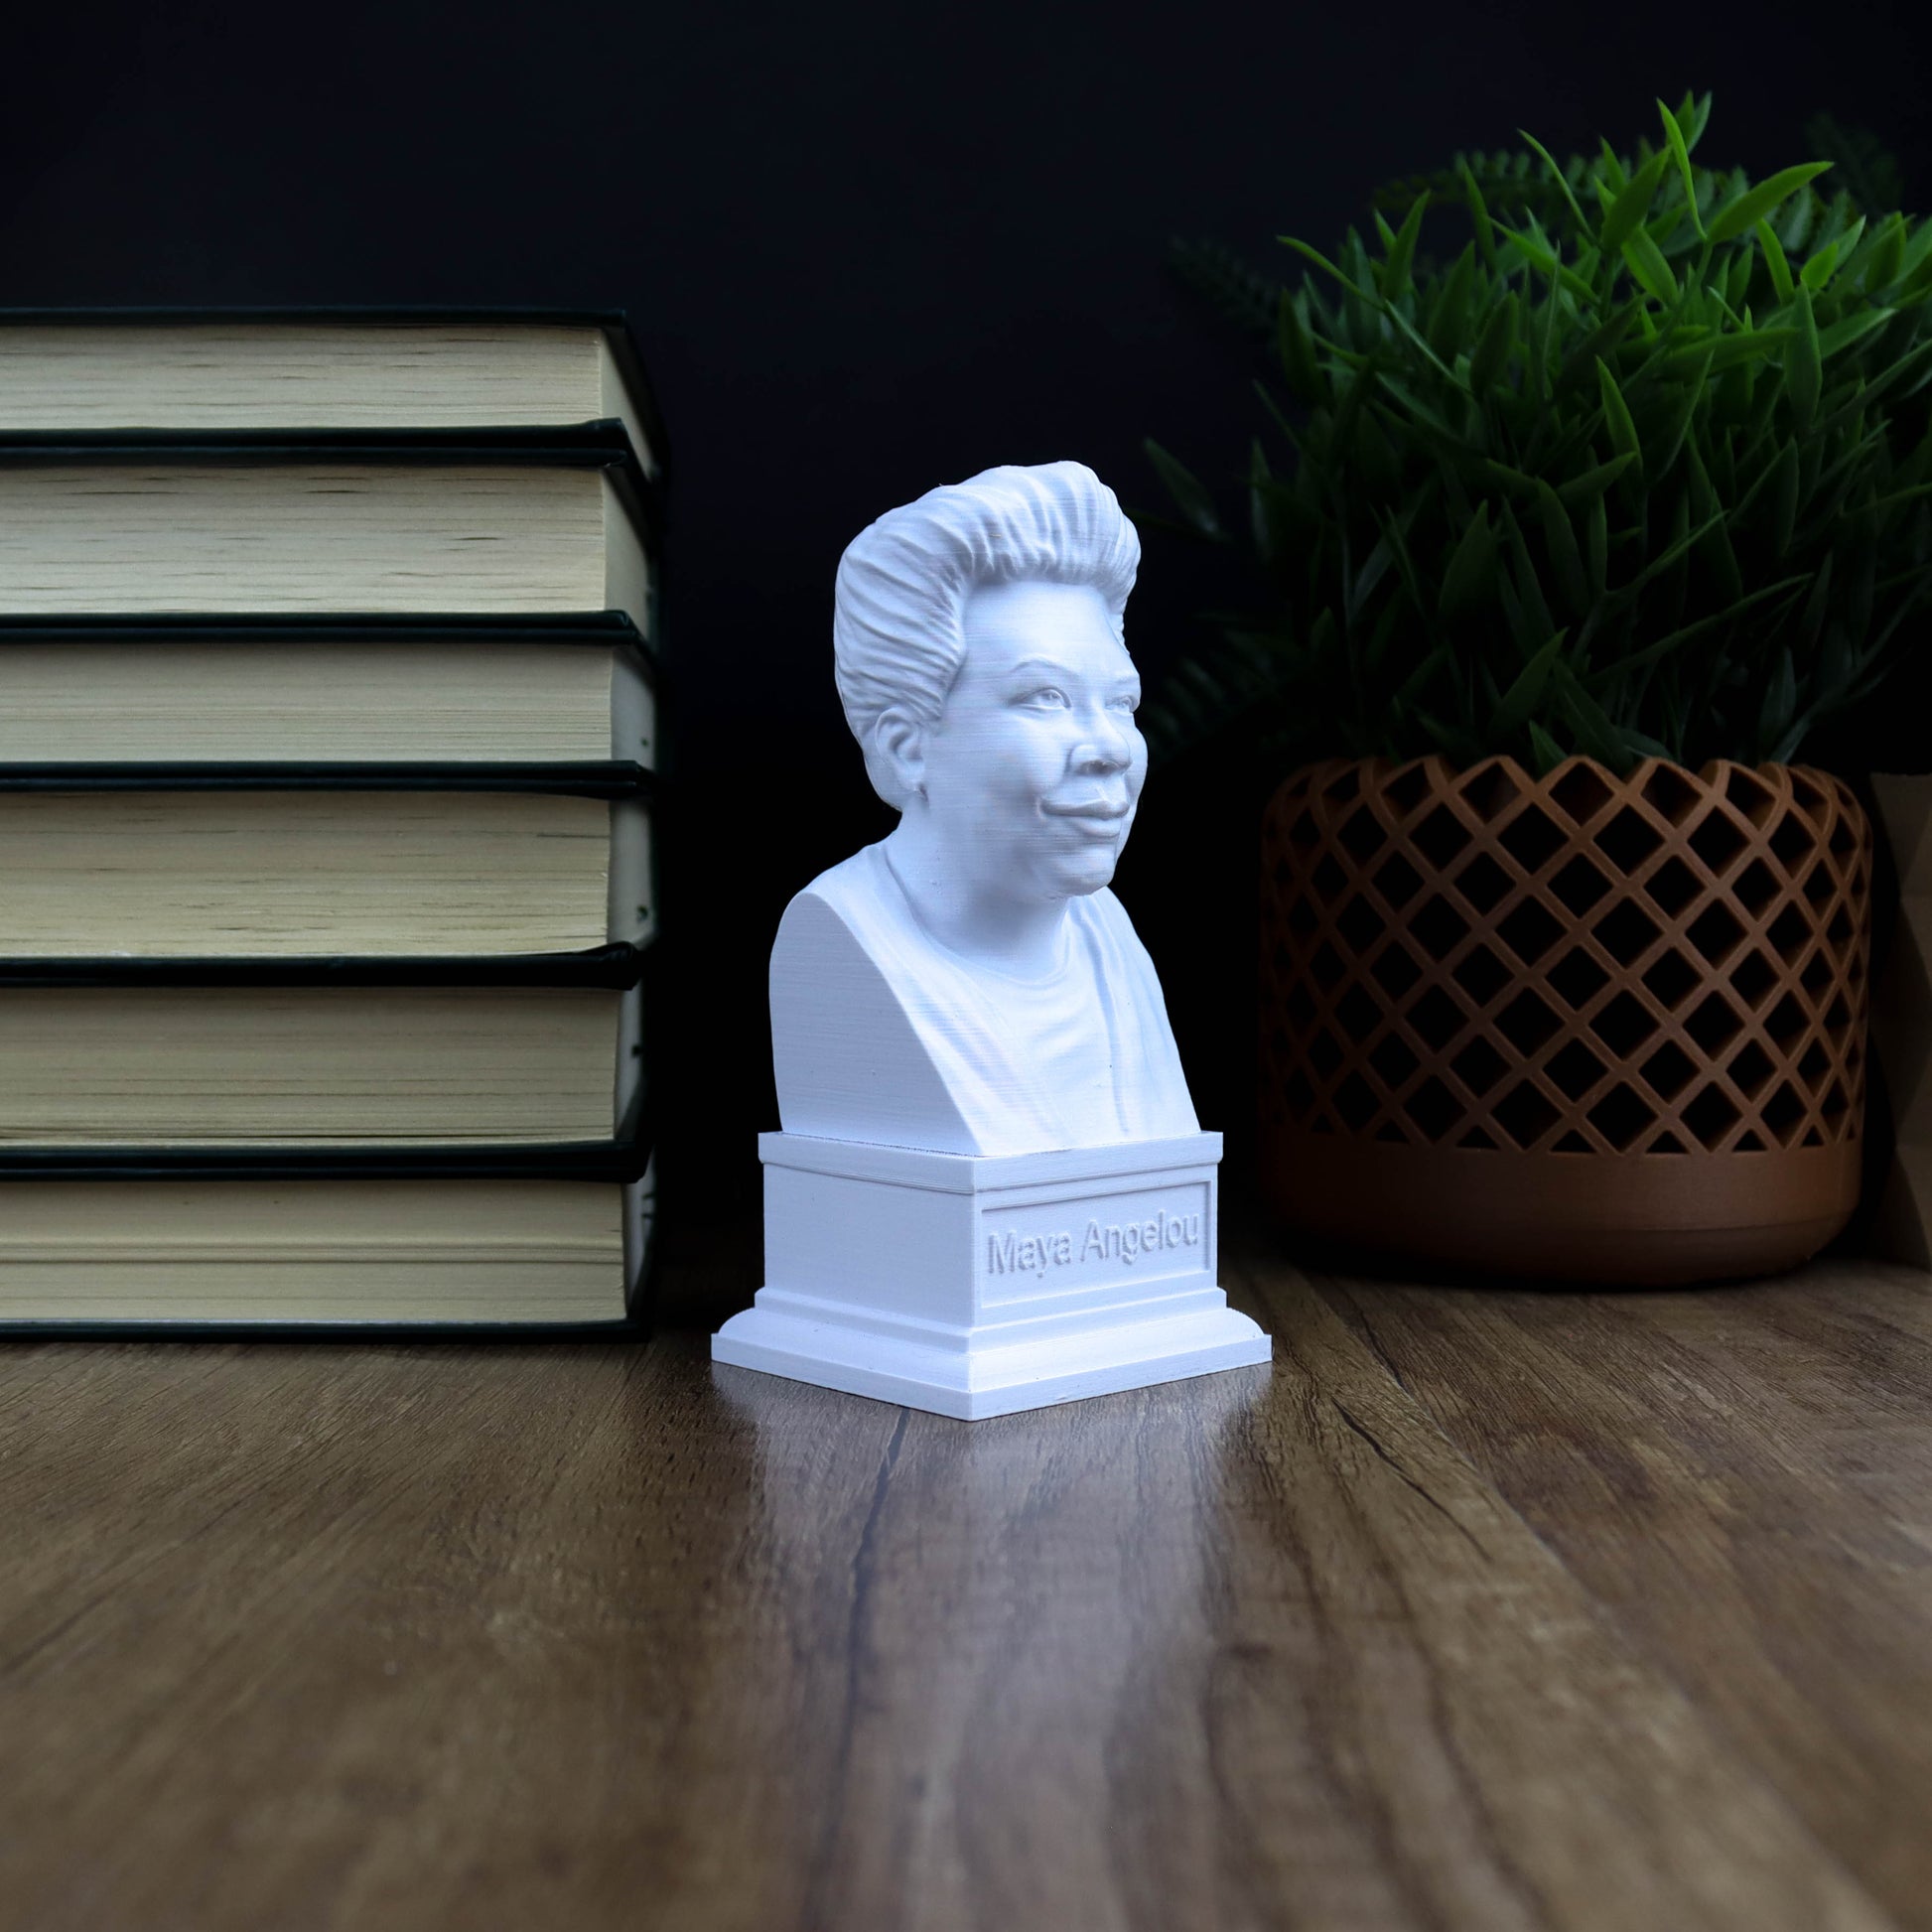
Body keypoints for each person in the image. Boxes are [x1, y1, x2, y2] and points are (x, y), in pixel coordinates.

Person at [770, 461, 1200, 1158]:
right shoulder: (840, 938)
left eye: (1121, 704)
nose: (1109, 750)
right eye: (1047, 699)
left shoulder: (1105, 934)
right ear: (907, 747)